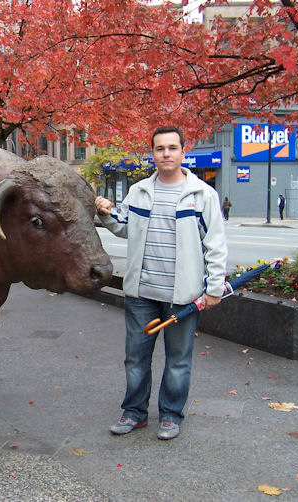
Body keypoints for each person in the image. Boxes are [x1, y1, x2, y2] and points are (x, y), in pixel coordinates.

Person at [95, 125, 227, 440]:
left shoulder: (202, 195)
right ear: (152, 153)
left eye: (171, 148)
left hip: (183, 296)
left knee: (178, 360)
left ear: (183, 152)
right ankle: (134, 413)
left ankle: (170, 415)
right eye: (159, 148)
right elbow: (123, 226)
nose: (165, 153)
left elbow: (216, 245)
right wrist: (105, 213)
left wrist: (214, 289)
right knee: (136, 357)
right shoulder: (140, 190)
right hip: (142, 293)